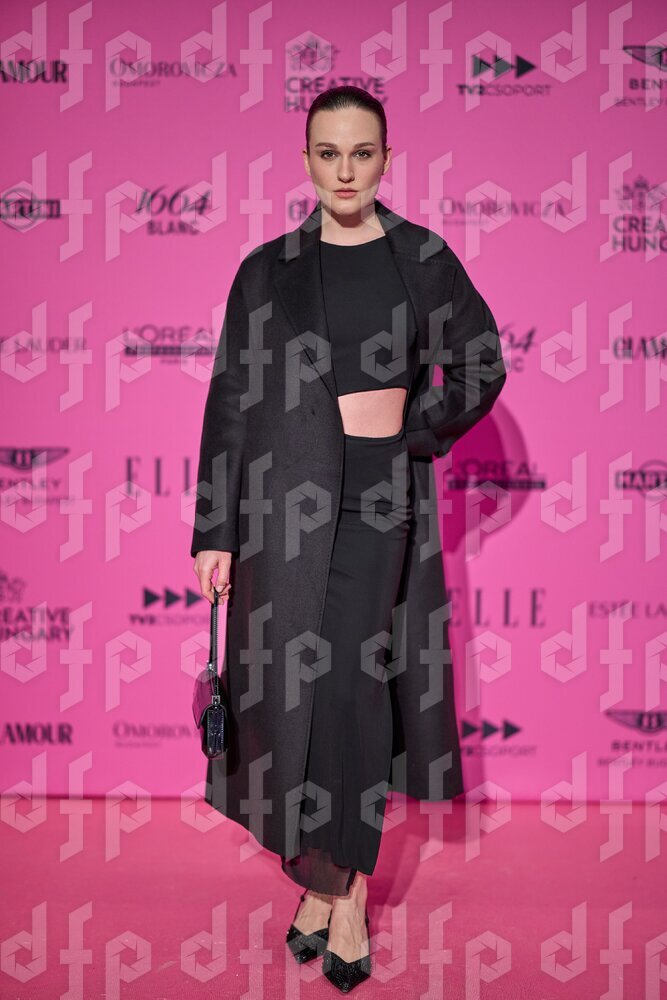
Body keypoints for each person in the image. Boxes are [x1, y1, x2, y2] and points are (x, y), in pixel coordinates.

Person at [191, 85, 507, 992]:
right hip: (281, 505)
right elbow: (230, 401)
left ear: (385, 159)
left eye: (361, 153)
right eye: (327, 153)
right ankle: (321, 883)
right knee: (291, 696)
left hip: (378, 498)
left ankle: (346, 893)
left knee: (351, 688)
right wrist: (215, 530)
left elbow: (479, 360)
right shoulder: (266, 271)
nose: (344, 171)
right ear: (305, 160)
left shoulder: (421, 258)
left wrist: (416, 429)